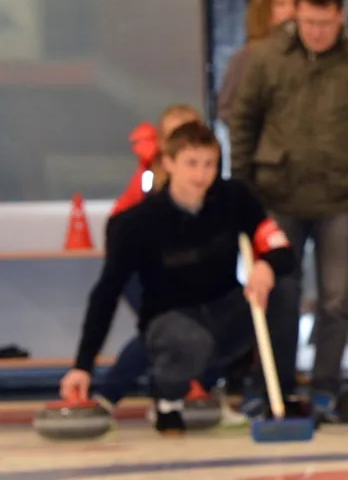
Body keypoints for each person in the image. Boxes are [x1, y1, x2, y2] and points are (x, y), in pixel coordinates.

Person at [229, 0, 348, 424]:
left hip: (341, 200)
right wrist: (243, 190)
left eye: (324, 24)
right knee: (279, 293)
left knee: (335, 300)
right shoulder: (267, 57)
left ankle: (326, 389)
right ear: (296, 17)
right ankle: (275, 386)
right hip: (276, 196)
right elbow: (243, 121)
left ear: (339, 17)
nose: (316, 32)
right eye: (307, 22)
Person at [59, 122, 295, 434]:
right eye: (191, 164)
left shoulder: (234, 197)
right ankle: (167, 398)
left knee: (283, 290)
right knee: (187, 340)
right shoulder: (136, 223)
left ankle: (273, 396)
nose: (201, 175)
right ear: (169, 163)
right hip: (170, 320)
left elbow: (280, 247)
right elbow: (106, 292)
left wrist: (267, 266)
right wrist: (82, 365)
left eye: (210, 164)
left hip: (224, 313)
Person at [217, 0, 297, 125]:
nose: (291, 11)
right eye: (281, 4)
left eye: (295, 4)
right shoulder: (246, 58)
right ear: (264, 10)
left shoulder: (310, 57)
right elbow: (226, 110)